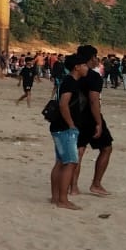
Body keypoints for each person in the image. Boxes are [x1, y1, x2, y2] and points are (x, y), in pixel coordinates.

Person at [70, 47, 113, 197]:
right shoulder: (94, 77)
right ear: (91, 58)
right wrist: (98, 122)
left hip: (73, 115)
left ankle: (73, 187)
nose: (97, 60)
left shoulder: (72, 73)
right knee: (106, 148)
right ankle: (96, 184)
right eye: (96, 57)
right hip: (89, 117)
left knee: (78, 151)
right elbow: (94, 101)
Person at [48, 54, 86, 211]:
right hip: (64, 128)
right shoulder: (70, 82)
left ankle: (56, 197)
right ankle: (62, 199)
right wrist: (71, 125)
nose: (87, 68)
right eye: (84, 65)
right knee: (70, 162)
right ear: (77, 67)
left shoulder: (68, 81)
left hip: (59, 127)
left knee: (60, 161)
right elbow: (64, 104)